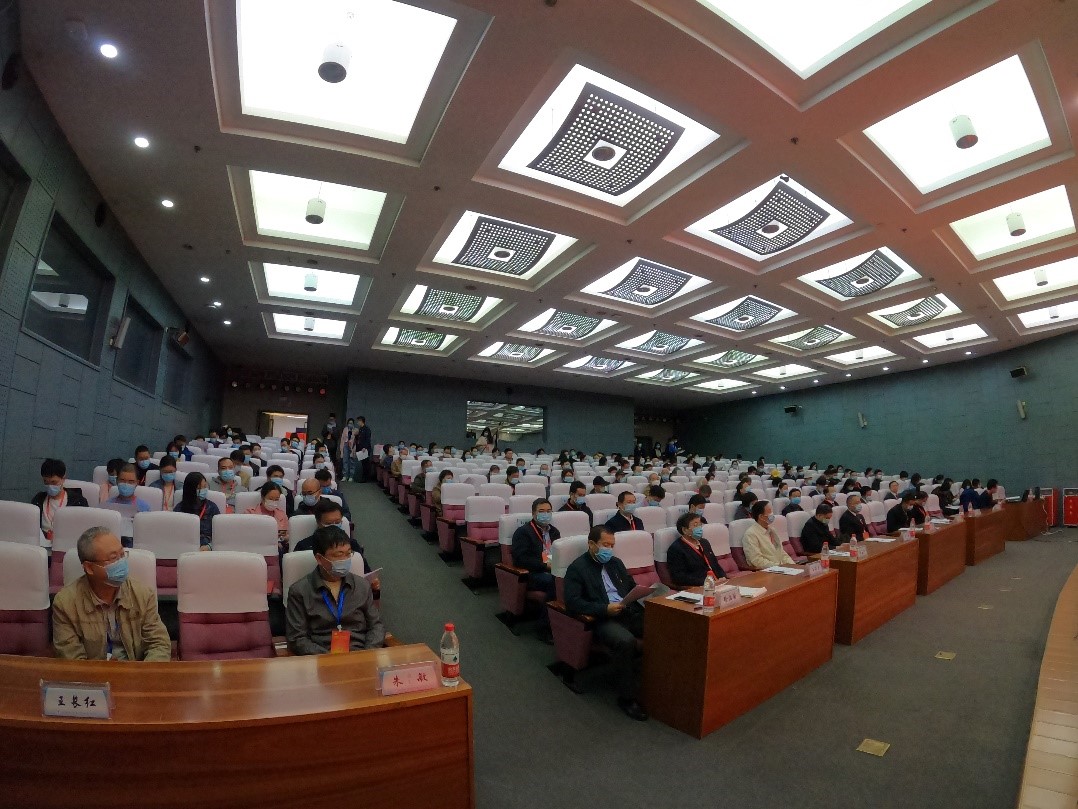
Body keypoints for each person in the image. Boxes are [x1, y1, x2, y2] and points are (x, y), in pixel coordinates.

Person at [564, 526, 647, 721]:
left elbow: (630, 586)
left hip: (627, 611)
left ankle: (656, 680)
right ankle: (627, 698)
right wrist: (604, 609)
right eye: (605, 545)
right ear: (592, 544)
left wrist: (643, 592)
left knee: (663, 625)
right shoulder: (577, 568)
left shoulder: (616, 563)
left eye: (612, 545)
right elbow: (573, 602)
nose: (609, 549)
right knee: (626, 642)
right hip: (602, 618)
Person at [52, 526, 171, 661]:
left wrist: (143, 672)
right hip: (93, 672)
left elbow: (159, 644)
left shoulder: (143, 595)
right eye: (113, 558)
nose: (121, 562)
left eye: (122, 555)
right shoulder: (65, 604)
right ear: (89, 567)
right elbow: (72, 659)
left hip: (137, 669)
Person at [286, 527, 384, 655]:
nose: (345, 559)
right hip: (321, 657)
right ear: (319, 558)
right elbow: (297, 638)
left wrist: (367, 654)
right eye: (339, 555)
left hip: (360, 653)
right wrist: (329, 659)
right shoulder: (300, 591)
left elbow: (376, 625)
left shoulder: (362, 585)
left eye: (348, 553)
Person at [510, 498, 561, 643]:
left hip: (552, 569)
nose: (546, 514)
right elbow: (521, 559)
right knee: (554, 582)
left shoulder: (554, 531)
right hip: (532, 573)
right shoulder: (523, 532)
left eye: (548, 511)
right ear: (533, 514)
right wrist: (545, 566)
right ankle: (543, 628)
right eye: (541, 511)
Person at [31, 458, 89, 544]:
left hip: (67, 544)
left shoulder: (78, 502)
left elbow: (84, 530)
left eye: (54, 482)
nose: (50, 486)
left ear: (63, 478)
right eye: (46, 482)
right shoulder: (38, 499)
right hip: (41, 544)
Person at [667, 512, 726, 588]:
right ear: (684, 530)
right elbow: (679, 577)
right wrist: (706, 582)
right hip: (699, 586)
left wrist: (722, 577)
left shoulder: (704, 542)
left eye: (700, 525)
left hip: (718, 583)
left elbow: (715, 564)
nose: (699, 528)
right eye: (695, 525)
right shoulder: (676, 549)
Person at [292, 499, 364, 557]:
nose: (333, 526)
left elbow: (363, 568)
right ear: (318, 522)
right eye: (329, 523)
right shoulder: (303, 546)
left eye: (337, 522)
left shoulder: (352, 544)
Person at [102, 463, 152, 546]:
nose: (126, 484)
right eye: (122, 480)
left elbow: (146, 535)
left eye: (131, 482)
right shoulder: (107, 506)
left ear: (137, 483)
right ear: (117, 481)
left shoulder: (144, 507)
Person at [743, 501, 795, 568]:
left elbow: (781, 553)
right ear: (761, 516)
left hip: (781, 568)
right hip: (769, 570)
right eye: (769, 512)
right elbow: (756, 560)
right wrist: (778, 567)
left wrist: (794, 566)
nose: (772, 514)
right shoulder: (751, 534)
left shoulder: (772, 530)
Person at [174, 472, 218, 549]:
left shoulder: (212, 507)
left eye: (204, 486)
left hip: (206, 548)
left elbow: (220, 533)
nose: (203, 490)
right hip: (184, 546)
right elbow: (174, 533)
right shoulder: (179, 509)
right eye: (198, 488)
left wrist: (209, 546)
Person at [245, 481, 290, 555]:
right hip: (255, 550)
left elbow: (286, 536)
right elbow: (248, 536)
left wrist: (280, 540)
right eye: (271, 499)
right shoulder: (250, 513)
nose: (273, 502)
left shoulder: (282, 515)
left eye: (276, 499)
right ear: (263, 497)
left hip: (277, 551)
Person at [354, 416, 373, 483]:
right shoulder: (360, 429)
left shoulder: (366, 429)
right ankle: (363, 477)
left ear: (361, 421)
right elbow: (359, 439)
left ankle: (365, 478)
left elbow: (367, 439)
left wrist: (365, 447)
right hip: (360, 448)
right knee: (363, 464)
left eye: (358, 421)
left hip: (365, 449)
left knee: (366, 464)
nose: (357, 423)